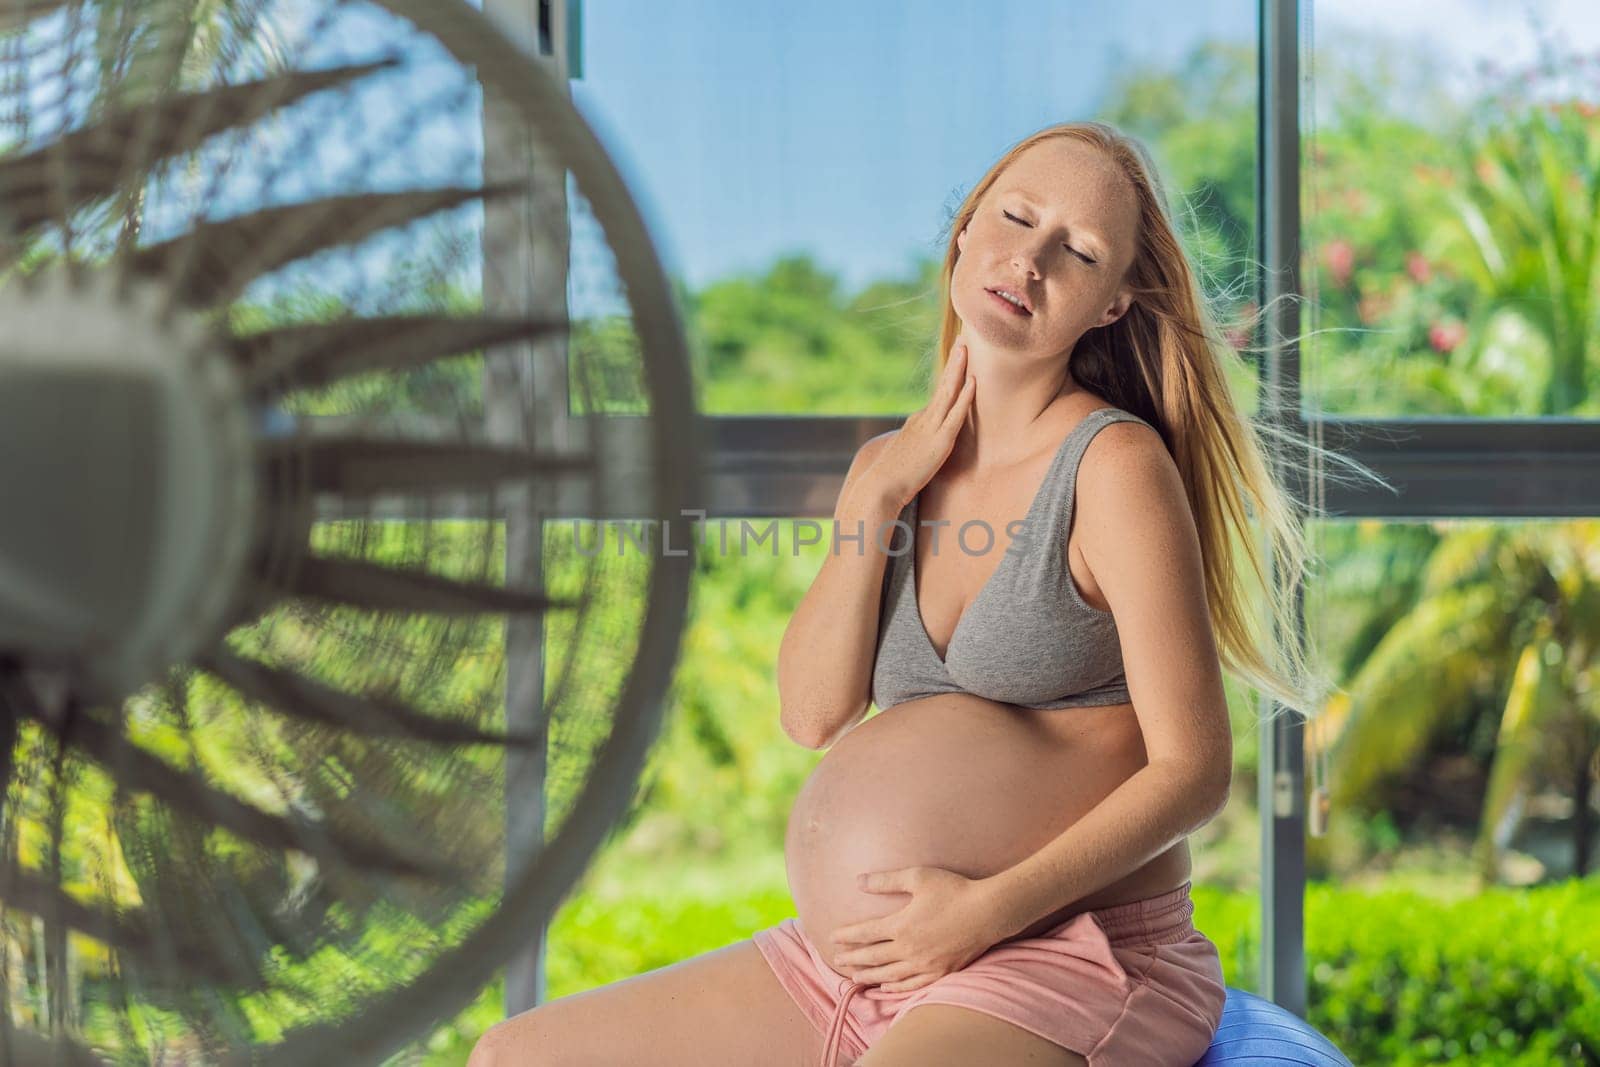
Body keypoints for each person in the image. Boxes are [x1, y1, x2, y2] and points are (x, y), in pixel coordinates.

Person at [468, 120, 1358, 1066]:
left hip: (1069, 956)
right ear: (967, 229)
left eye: (1080, 251)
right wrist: (878, 493)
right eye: (1015, 217)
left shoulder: (1113, 467)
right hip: (859, 963)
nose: (1031, 258)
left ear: (1110, 305)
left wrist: (981, 912)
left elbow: (1194, 773)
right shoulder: (889, 470)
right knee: (513, 1055)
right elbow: (812, 712)